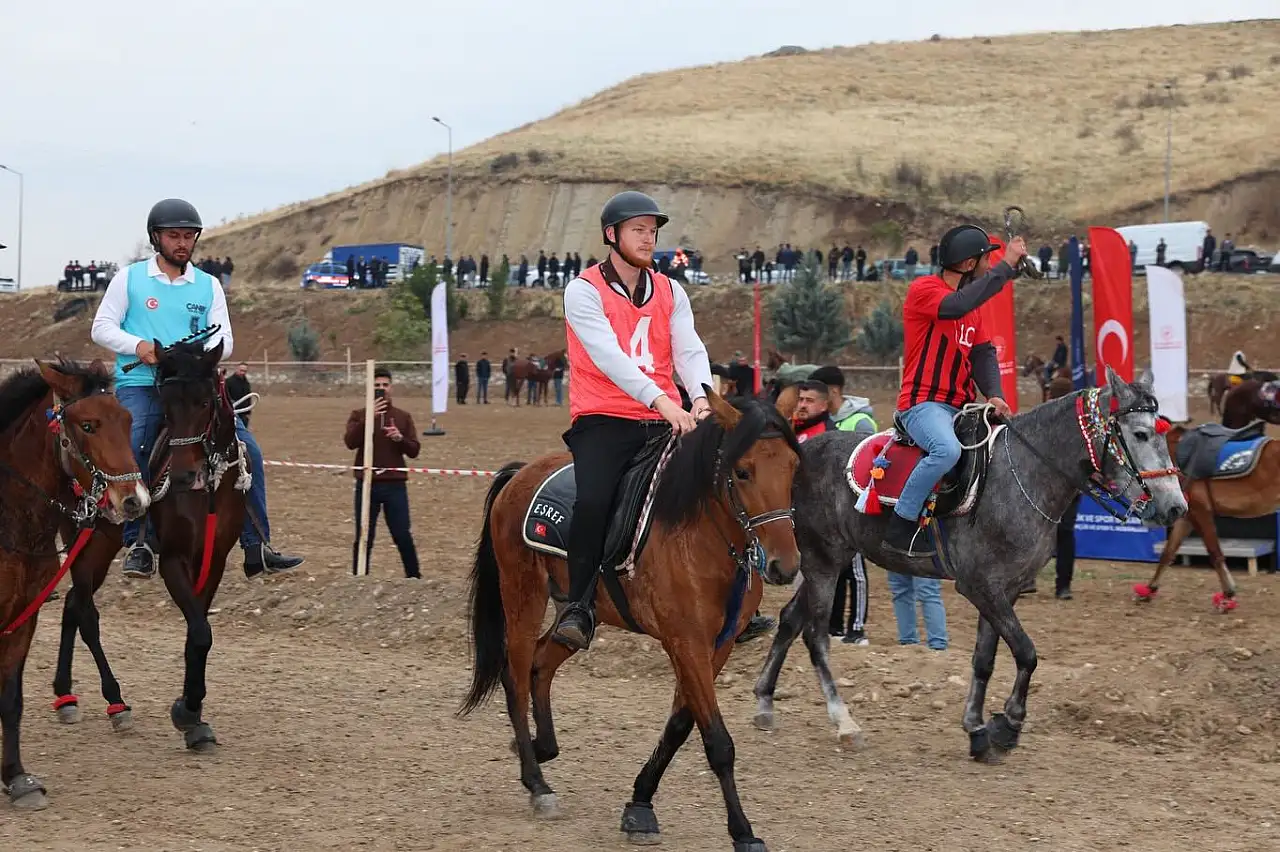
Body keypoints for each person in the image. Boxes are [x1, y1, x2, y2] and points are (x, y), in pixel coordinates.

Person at [90, 198, 304, 579]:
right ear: (156, 238)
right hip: (142, 383)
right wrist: (139, 346)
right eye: (174, 236)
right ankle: (137, 542)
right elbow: (101, 327)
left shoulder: (208, 286)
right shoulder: (129, 279)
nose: (182, 243)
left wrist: (192, 357)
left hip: (192, 387)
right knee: (136, 446)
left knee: (247, 451)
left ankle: (258, 547)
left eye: (189, 236)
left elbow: (226, 338)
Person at [551, 191, 715, 651]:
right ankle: (577, 605)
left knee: (717, 481)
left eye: (653, 230)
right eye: (638, 230)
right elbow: (611, 358)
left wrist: (701, 401)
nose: (649, 238)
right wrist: (665, 402)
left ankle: (734, 597)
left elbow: (689, 349)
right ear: (612, 234)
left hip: (665, 417)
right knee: (594, 500)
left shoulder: (670, 290)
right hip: (603, 418)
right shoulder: (583, 291)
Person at [885, 223, 1022, 557]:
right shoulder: (924, 290)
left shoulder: (972, 310)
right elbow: (957, 305)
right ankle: (901, 525)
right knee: (946, 451)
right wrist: (1006, 268)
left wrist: (995, 393)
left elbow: (983, 353)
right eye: (985, 260)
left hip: (961, 407)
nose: (989, 265)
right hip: (922, 404)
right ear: (967, 264)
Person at [807, 365, 876, 643]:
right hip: (827, 511)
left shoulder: (859, 422)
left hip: (854, 509)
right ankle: (833, 627)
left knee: (855, 571)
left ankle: (856, 629)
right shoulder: (826, 422)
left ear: (833, 391)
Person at [345, 367, 422, 578]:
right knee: (363, 536)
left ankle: (414, 578)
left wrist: (399, 438)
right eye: (376, 386)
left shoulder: (403, 417)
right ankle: (359, 578)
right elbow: (350, 443)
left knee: (402, 534)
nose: (381, 389)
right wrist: (367, 420)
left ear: (391, 388)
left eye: (385, 385)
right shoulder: (358, 415)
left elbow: (414, 450)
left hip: (394, 484)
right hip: (367, 484)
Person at [808, 365, 876, 437]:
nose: (814, 395)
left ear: (834, 390)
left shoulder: (861, 422)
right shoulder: (818, 419)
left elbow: (867, 447)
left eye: (818, 390)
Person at [225, 361, 253, 427]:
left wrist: (248, 412)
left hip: (243, 414)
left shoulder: (246, 383)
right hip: (232, 413)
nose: (242, 373)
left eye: (245, 371)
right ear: (236, 369)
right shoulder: (228, 382)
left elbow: (248, 398)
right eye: (241, 370)